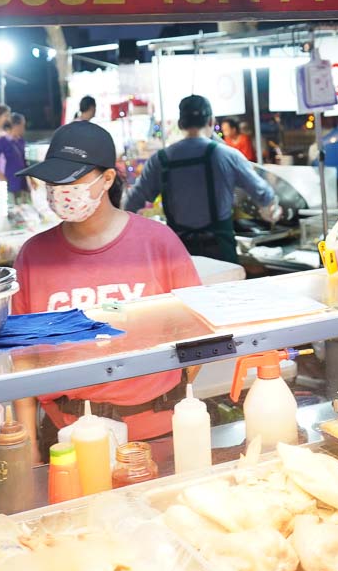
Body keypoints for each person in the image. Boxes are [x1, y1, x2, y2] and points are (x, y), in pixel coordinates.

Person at [11, 121, 201, 454]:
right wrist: (28, 445)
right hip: (65, 438)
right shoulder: (33, 256)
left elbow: (199, 331)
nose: (59, 190)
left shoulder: (158, 243)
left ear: (107, 179)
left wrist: (167, 394)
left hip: (157, 433)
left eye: (72, 179)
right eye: (53, 181)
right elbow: (23, 358)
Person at [123, 96, 281, 263]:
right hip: (221, 255)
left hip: (180, 256)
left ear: (180, 124)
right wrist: (270, 211)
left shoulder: (160, 160)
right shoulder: (227, 155)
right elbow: (265, 195)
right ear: (211, 122)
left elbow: (131, 204)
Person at [0, 112, 29, 203]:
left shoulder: (21, 141)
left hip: (21, 184)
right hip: (7, 185)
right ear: (16, 126)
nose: (24, 128)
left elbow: (24, 162)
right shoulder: (1, 141)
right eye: (22, 125)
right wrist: (0, 175)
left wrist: (31, 179)